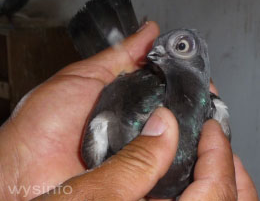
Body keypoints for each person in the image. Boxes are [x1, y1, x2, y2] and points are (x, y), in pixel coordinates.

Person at [0, 22, 258, 201]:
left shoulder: (216, 114)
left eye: (181, 47)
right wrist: (13, 170)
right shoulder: (110, 122)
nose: (159, 51)